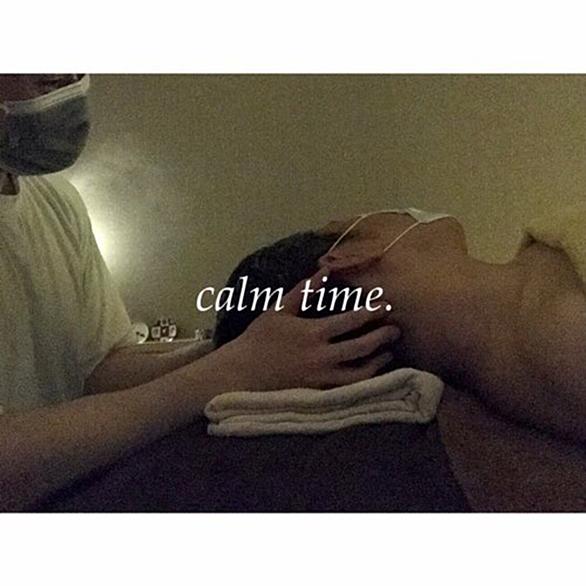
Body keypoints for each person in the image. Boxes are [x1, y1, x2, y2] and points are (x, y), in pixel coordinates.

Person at [0, 74, 399, 511]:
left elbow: (100, 370)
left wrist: (239, 345)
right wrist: (229, 371)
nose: (67, 78)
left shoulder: (56, 201)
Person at [214, 207, 586, 445]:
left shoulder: (540, 306)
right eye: (359, 218)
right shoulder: (565, 335)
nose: (398, 212)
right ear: (348, 255)